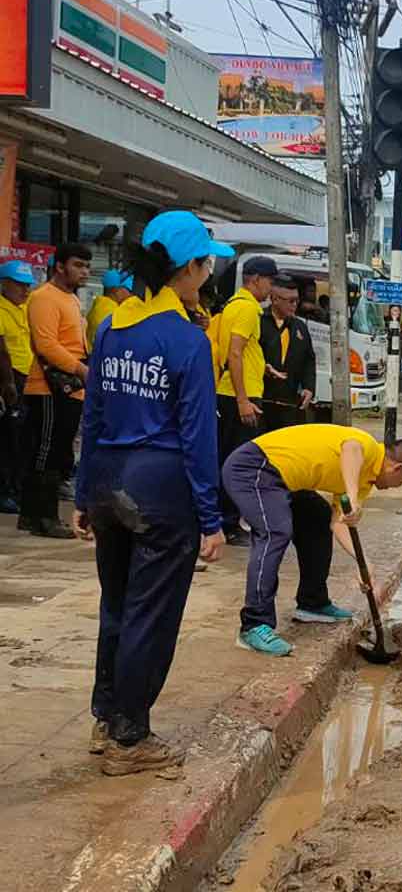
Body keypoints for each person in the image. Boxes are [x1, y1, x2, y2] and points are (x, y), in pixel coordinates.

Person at [74, 211, 230, 776]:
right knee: (151, 614)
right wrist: (211, 518)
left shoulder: (112, 328)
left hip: (109, 483)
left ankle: (105, 716)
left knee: (116, 605)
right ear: (191, 268)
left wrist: (83, 496)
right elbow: (196, 436)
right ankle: (130, 737)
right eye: (207, 263)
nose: (209, 272)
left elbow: (92, 418)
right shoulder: (188, 340)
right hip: (161, 489)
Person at [224, 424, 402, 656]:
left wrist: (365, 565)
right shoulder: (367, 446)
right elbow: (351, 449)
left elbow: (338, 523)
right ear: (397, 468)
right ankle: (253, 625)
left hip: (286, 482)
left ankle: (312, 602)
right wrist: (350, 497)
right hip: (254, 468)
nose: (396, 487)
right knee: (275, 531)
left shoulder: (364, 484)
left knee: (318, 516)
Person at [20, 243, 91, 538]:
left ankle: (32, 515)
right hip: (47, 388)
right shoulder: (43, 298)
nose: (84, 271)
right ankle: (43, 516)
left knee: (59, 452)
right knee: (46, 452)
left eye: (87, 266)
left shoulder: (71, 299)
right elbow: (46, 345)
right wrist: (82, 369)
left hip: (71, 388)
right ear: (59, 266)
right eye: (77, 265)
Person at [215, 255, 277, 545]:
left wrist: (263, 366)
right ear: (255, 280)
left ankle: (226, 519)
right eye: (270, 281)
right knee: (237, 462)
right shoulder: (246, 310)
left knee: (231, 458)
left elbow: (242, 351)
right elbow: (235, 353)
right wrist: (242, 400)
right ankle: (228, 523)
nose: (272, 288)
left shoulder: (235, 305)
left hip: (236, 391)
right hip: (238, 395)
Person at [0, 260, 37, 514]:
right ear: (4, 284)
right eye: (19, 285)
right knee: (8, 439)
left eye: (28, 286)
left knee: (23, 438)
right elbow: (1, 351)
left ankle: (17, 487)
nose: (25, 291)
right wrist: (8, 383)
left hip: (27, 377)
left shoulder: (23, 309)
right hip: (10, 379)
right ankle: (5, 491)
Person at [260, 274, 317, 431]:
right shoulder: (258, 321)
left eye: (297, 300)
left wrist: (309, 387)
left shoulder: (300, 327)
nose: (295, 305)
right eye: (290, 301)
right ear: (275, 299)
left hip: (289, 403)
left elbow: (309, 360)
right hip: (261, 400)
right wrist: (263, 368)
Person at [85, 269, 135, 351]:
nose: (131, 295)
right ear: (115, 290)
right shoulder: (111, 313)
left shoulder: (99, 305)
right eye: (129, 290)